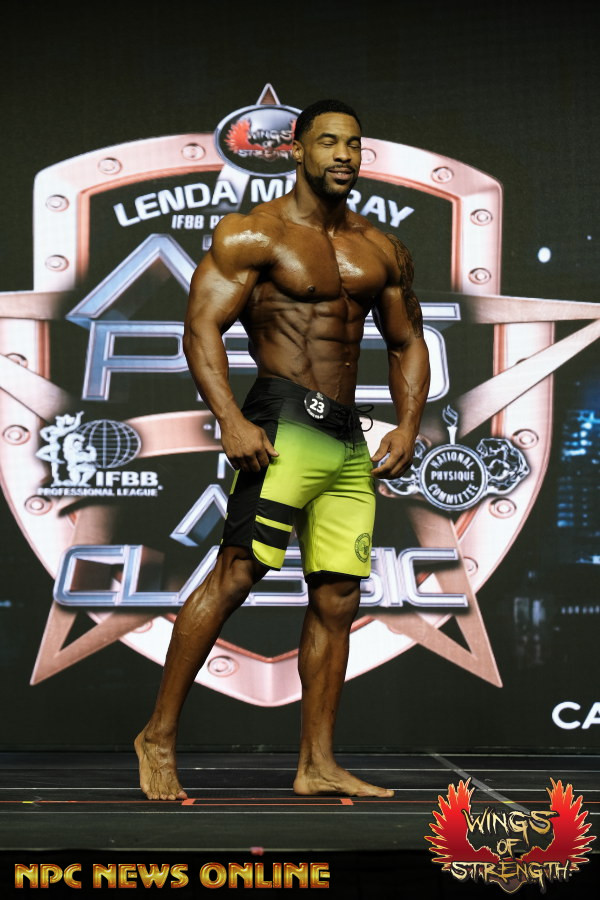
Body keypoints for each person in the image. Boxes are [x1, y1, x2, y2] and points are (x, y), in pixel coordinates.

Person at [135, 99, 430, 800]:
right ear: (296, 149)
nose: (344, 155)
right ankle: (157, 736)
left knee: (339, 595)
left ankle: (317, 764)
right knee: (236, 573)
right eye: (328, 141)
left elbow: (407, 341)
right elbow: (201, 328)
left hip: (346, 438)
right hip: (282, 421)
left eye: (353, 144)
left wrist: (409, 424)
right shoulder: (254, 233)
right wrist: (231, 419)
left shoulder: (380, 248)